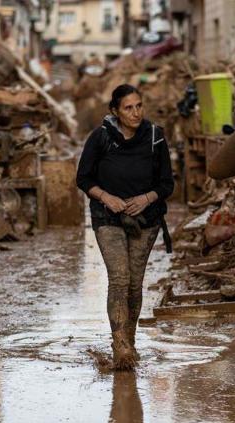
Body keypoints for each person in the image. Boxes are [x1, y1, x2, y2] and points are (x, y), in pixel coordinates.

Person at [76, 84, 174, 370]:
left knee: (134, 282)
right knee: (119, 278)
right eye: (128, 108)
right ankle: (120, 346)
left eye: (139, 106)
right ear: (115, 112)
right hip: (108, 218)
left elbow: (167, 183)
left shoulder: (155, 137)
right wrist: (108, 197)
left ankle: (128, 343)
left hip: (146, 219)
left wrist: (146, 198)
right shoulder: (101, 137)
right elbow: (83, 179)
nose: (135, 112)